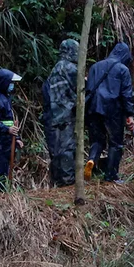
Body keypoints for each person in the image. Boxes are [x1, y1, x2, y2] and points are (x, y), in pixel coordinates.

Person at [85, 42, 134, 183]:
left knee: (97, 140)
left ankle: (91, 161)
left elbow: (89, 88)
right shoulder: (122, 70)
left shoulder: (95, 66)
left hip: (93, 108)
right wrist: (129, 115)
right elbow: (126, 94)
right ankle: (111, 176)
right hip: (112, 110)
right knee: (115, 143)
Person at [42, 39, 80, 187]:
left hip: (52, 116)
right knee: (66, 149)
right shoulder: (68, 68)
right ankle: (67, 182)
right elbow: (82, 88)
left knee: (56, 150)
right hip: (63, 115)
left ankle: (58, 181)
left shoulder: (55, 69)